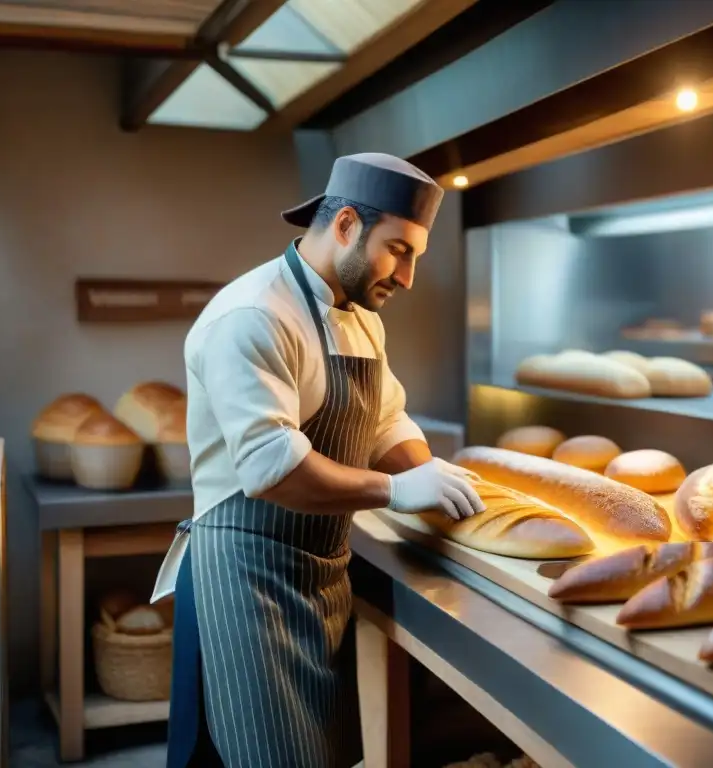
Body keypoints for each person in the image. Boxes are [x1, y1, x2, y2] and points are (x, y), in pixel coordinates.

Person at [153, 152, 486, 768]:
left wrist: (428, 476)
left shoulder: (359, 318)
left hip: (319, 575)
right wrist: (396, 493)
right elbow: (270, 466)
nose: (408, 276)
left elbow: (385, 419)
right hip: (245, 579)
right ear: (346, 225)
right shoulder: (254, 316)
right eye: (400, 250)